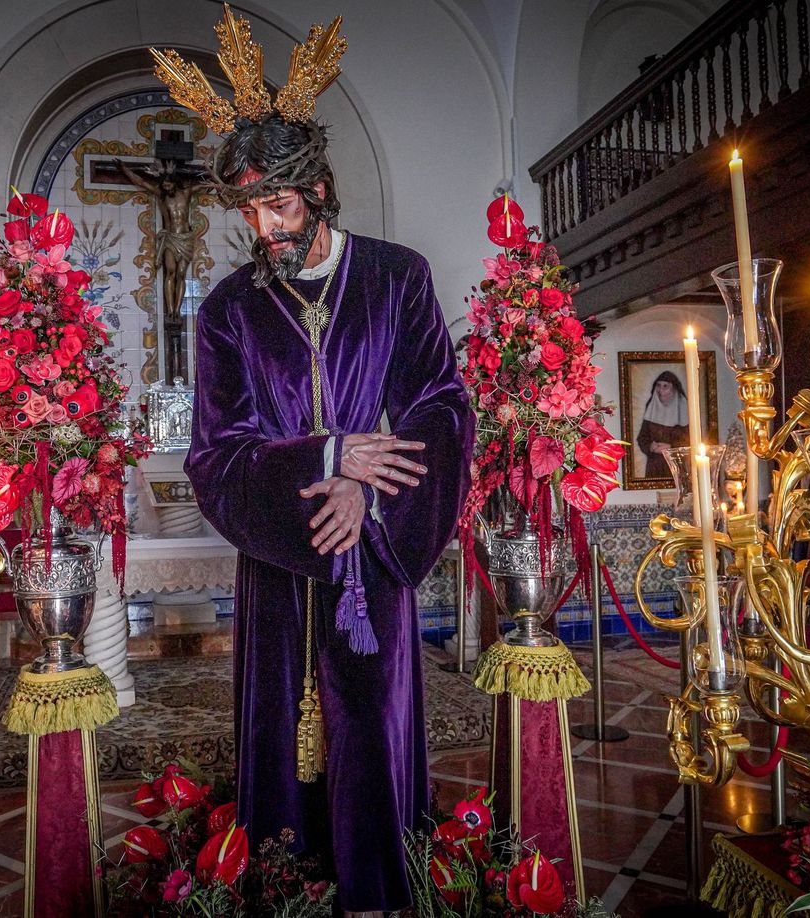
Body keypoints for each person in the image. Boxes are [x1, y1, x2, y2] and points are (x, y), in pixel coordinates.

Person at [155, 10, 474, 912]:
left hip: (370, 561)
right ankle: (285, 892)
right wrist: (328, 457)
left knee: (370, 732)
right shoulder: (226, 310)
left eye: (281, 204)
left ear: (321, 189)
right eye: (252, 210)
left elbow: (442, 406)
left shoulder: (398, 278)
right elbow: (217, 457)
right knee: (282, 759)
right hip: (279, 576)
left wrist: (365, 494)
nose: (266, 226)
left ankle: (382, 889)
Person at [635, 369, 691, 479]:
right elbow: (642, 437)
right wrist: (650, 446)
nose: (661, 390)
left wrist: (671, 447)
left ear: (674, 389)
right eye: (658, 386)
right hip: (654, 466)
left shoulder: (684, 408)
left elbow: (691, 441)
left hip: (677, 466)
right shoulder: (652, 407)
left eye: (665, 386)